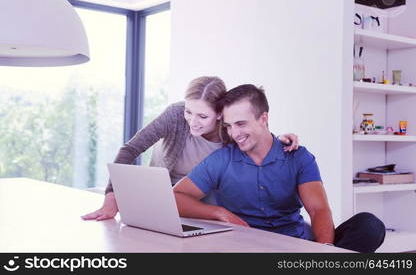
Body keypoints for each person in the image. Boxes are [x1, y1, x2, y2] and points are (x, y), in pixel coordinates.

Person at [173, 84, 386, 253]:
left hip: (295, 245)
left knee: (369, 225)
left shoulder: (298, 157)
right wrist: (219, 213)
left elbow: (318, 209)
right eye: (229, 126)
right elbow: (177, 196)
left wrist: (325, 250)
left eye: (241, 124)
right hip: (245, 247)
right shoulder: (221, 160)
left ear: (263, 118)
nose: (234, 133)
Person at [82, 76, 299, 221]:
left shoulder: (230, 133)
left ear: (220, 114)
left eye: (202, 116)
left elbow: (253, 135)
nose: (192, 122)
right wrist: (112, 195)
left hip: (204, 197)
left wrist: (278, 138)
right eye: (189, 112)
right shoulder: (175, 115)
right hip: (161, 190)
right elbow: (130, 149)